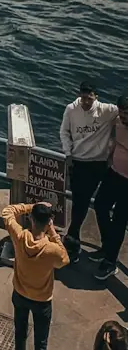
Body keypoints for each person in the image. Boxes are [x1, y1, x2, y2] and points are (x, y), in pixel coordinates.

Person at [60, 79, 118, 258]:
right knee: (80, 202)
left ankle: (72, 240)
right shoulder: (71, 109)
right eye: (83, 98)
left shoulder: (107, 110)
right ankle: (73, 238)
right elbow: (64, 132)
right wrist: (68, 153)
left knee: (86, 203)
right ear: (79, 96)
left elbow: (123, 112)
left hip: (98, 164)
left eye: (89, 99)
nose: (86, 102)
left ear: (96, 98)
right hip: (77, 162)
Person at [1, 201, 69, 350]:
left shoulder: (19, 236)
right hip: (42, 301)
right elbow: (64, 259)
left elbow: (7, 212)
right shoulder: (51, 250)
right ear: (48, 222)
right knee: (41, 342)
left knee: (20, 334)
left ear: (31, 219)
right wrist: (53, 232)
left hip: (19, 294)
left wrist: (31, 206)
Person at [92, 95, 128, 280]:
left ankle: (110, 261)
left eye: (127, 114)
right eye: (121, 113)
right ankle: (107, 246)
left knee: (120, 221)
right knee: (100, 205)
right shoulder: (118, 123)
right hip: (114, 173)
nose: (124, 117)